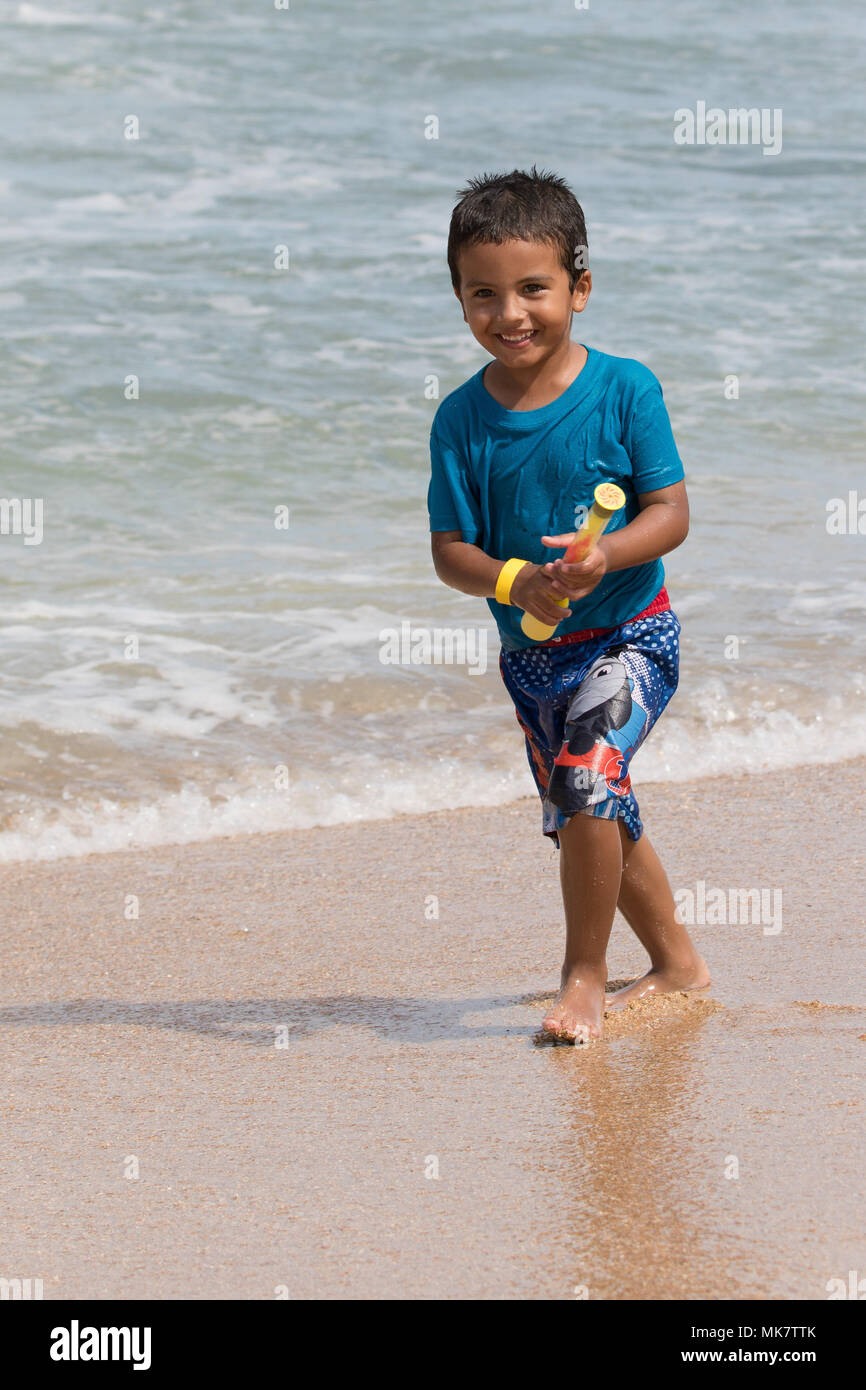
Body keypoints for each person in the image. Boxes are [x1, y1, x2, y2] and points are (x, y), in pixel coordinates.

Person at [427, 166, 709, 1043]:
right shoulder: (460, 422)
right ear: (460, 301)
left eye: (533, 289)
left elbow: (671, 513)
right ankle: (678, 967)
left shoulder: (626, 390)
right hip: (533, 659)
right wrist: (518, 580)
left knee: (588, 779)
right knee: (589, 815)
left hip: (632, 633)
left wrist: (603, 556)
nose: (509, 313)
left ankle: (580, 979)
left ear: (579, 288)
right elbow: (451, 554)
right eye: (483, 294)